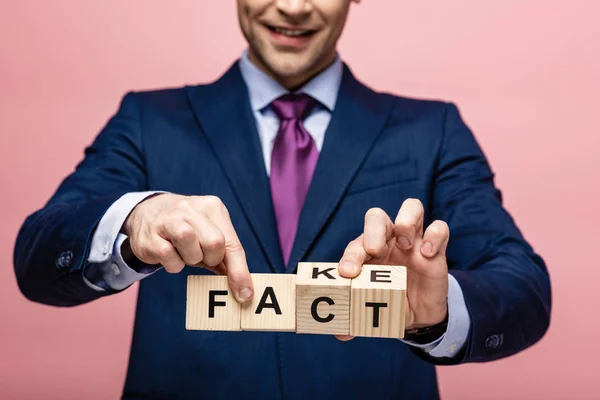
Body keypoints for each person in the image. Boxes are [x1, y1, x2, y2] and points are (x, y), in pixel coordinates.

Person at [13, 1, 552, 399]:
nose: (293, 7)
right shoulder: (148, 121)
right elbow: (38, 255)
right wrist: (132, 220)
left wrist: (438, 313)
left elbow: (523, 287)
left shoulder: (432, 130)